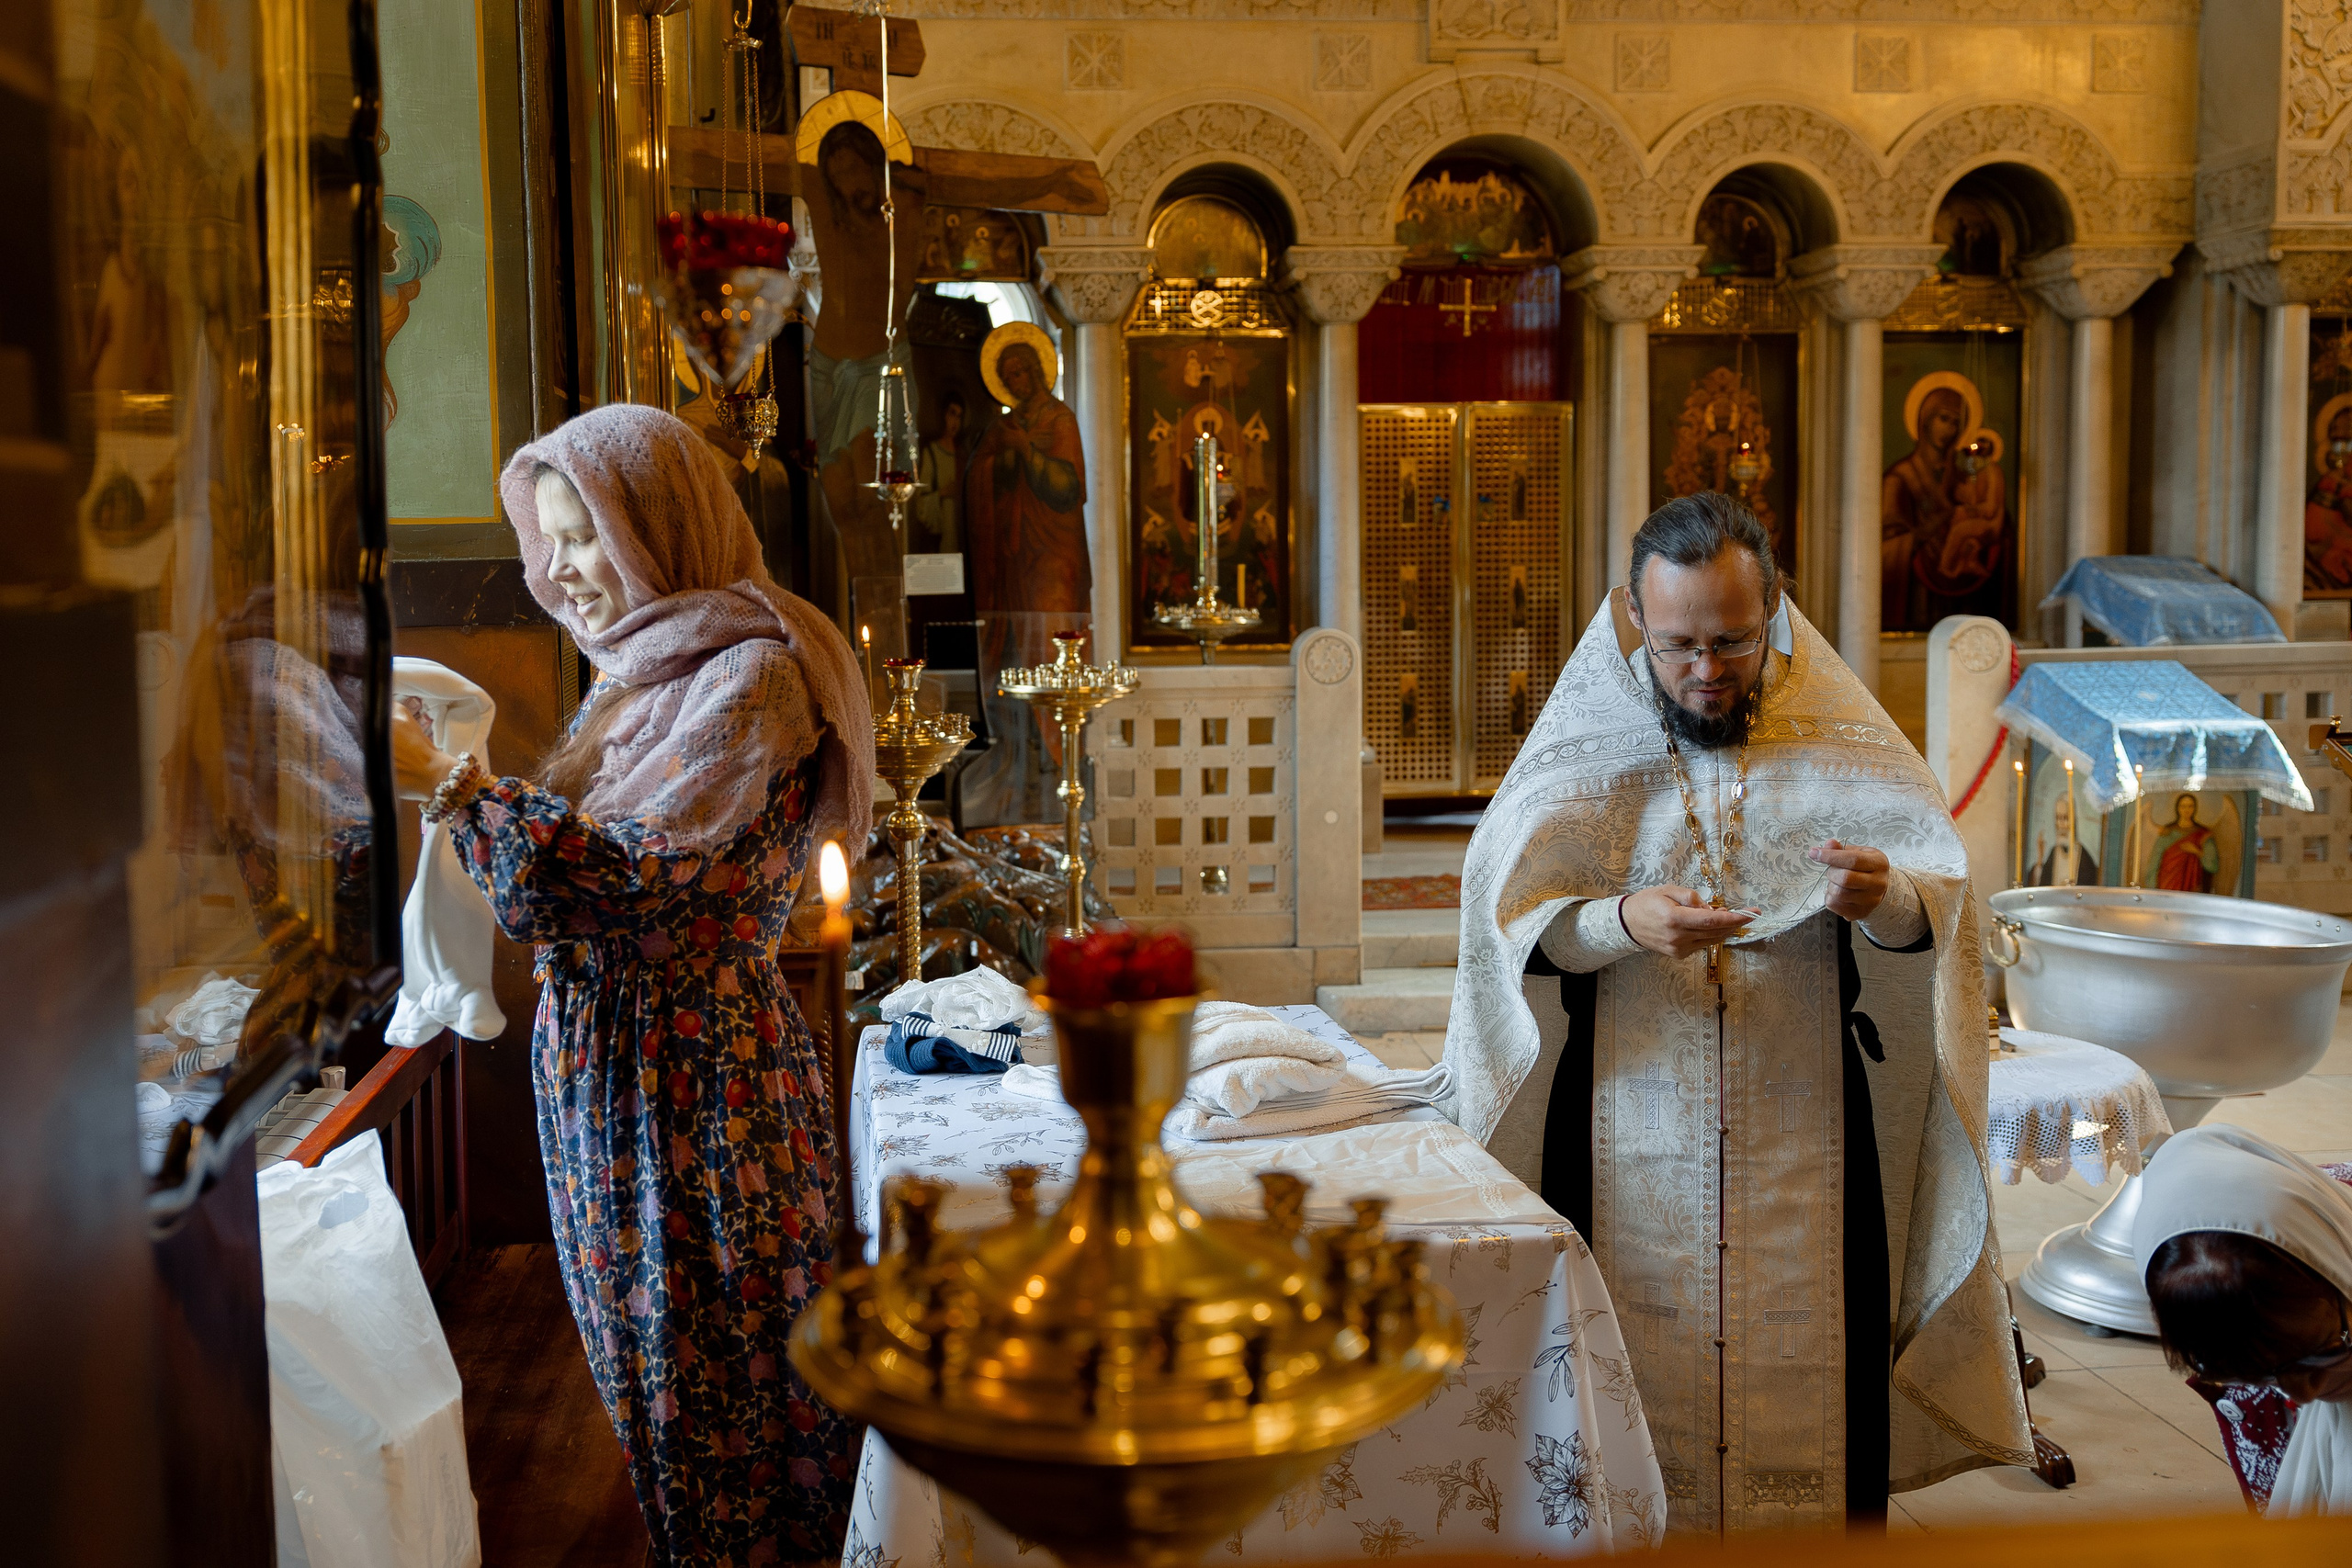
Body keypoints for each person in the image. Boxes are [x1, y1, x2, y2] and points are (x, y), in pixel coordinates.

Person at [1446, 491, 2030, 1535]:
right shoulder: (1584, 748)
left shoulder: (1845, 740)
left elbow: (1932, 917)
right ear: (1633, 617)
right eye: (1676, 646)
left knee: (1815, 1392)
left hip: (1807, 1135)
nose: (1705, 670)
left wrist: (1879, 898)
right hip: (1623, 1136)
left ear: (1775, 613)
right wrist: (1621, 920)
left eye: (1731, 641)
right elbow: (1511, 934)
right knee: (1621, 1387)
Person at [389, 405, 875, 1564]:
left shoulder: (753, 673)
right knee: (657, 1389)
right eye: (547, 538)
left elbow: (604, 884)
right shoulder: (643, 670)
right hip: (611, 1073)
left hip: (695, 1081)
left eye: (588, 535)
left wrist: (454, 787)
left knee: (725, 1398)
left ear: (664, 526)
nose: (559, 570)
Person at [2135, 1124, 2352, 1516]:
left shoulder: (2312, 1237)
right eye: (2262, 1374)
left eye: (2324, 1353)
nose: (2300, 1395)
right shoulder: (2232, 1360)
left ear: (2341, 1271)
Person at [2147, 792, 2220, 893]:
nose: (2186, 810)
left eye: (2190, 806)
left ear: (2195, 808)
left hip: (2192, 887)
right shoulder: (2167, 832)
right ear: (2178, 808)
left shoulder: (2203, 834)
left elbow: (2213, 866)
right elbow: (2155, 860)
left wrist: (2196, 851)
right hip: (2167, 883)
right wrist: (2152, 888)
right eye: (2183, 806)